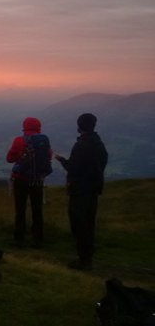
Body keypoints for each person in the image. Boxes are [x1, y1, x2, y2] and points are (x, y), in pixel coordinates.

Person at [55, 113, 108, 271]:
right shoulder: (98, 143)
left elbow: (73, 167)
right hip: (93, 189)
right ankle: (88, 255)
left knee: (79, 223)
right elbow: (102, 161)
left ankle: (83, 260)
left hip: (80, 190)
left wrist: (62, 160)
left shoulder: (81, 145)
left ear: (79, 125)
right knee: (89, 222)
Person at [6, 117, 53, 247]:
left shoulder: (19, 140)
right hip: (38, 180)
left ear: (24, 127)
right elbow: (48, 156)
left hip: (20, 179)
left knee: (20, 210)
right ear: (39, 127)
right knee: (37, 210)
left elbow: (9, 158)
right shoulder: (44, 140)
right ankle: (38, 239)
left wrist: (20, 157)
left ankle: (19, 239)